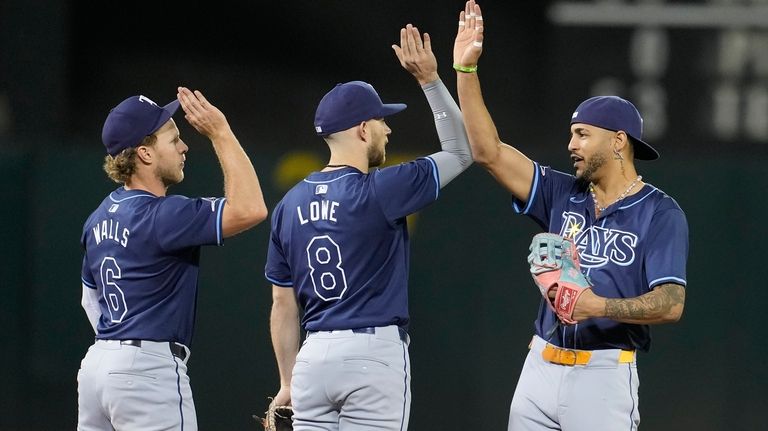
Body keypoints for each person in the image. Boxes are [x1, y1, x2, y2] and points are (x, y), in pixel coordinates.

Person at [452, 2, 688, 430]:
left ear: (618, 141)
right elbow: (488, 153)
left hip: (603, 375)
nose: (571, 144)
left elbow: (671, 304)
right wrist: (466, 74)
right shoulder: (564, 193)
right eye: (571, 134)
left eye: (582, 134)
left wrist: (596, 305)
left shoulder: (659, 212)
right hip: (539, 366)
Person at [264, 24, 472, 431]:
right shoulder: (382, 189)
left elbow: (282, 304)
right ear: (362, 129)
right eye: (380, 121)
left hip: (312, 359)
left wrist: (287, 381)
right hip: (371, 356)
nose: (387, 129)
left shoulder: (288, 205)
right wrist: (430, 80)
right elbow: (462, 151)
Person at [77, 87, 268, 430]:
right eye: (174, 139)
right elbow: (251, 208)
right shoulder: (164, 215)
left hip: (97, 368)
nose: (184, 147)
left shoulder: (98, 217)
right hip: (146, 371)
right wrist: (221, 132)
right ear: (145, 154)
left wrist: (119, 347)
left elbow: (90, 302)